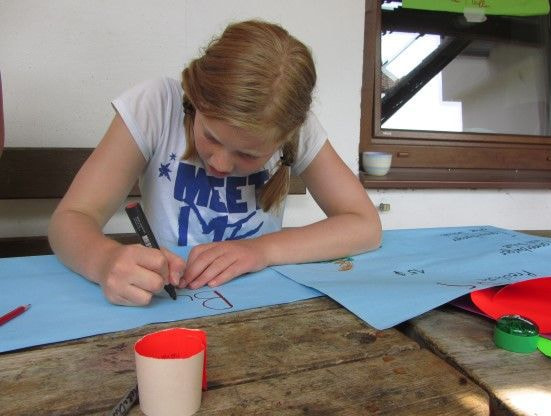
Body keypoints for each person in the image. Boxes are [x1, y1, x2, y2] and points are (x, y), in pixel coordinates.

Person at [49, 20, 382, 306]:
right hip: (168, 301)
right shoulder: (156, 106)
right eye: (210, 136)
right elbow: (71, 218)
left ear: (285, 137)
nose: (220, 165)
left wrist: (262, 250)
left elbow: (364, 225)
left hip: (261, 305)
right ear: (194, 99)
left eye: (248, 154)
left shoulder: (299, 128)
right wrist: (105, 260)